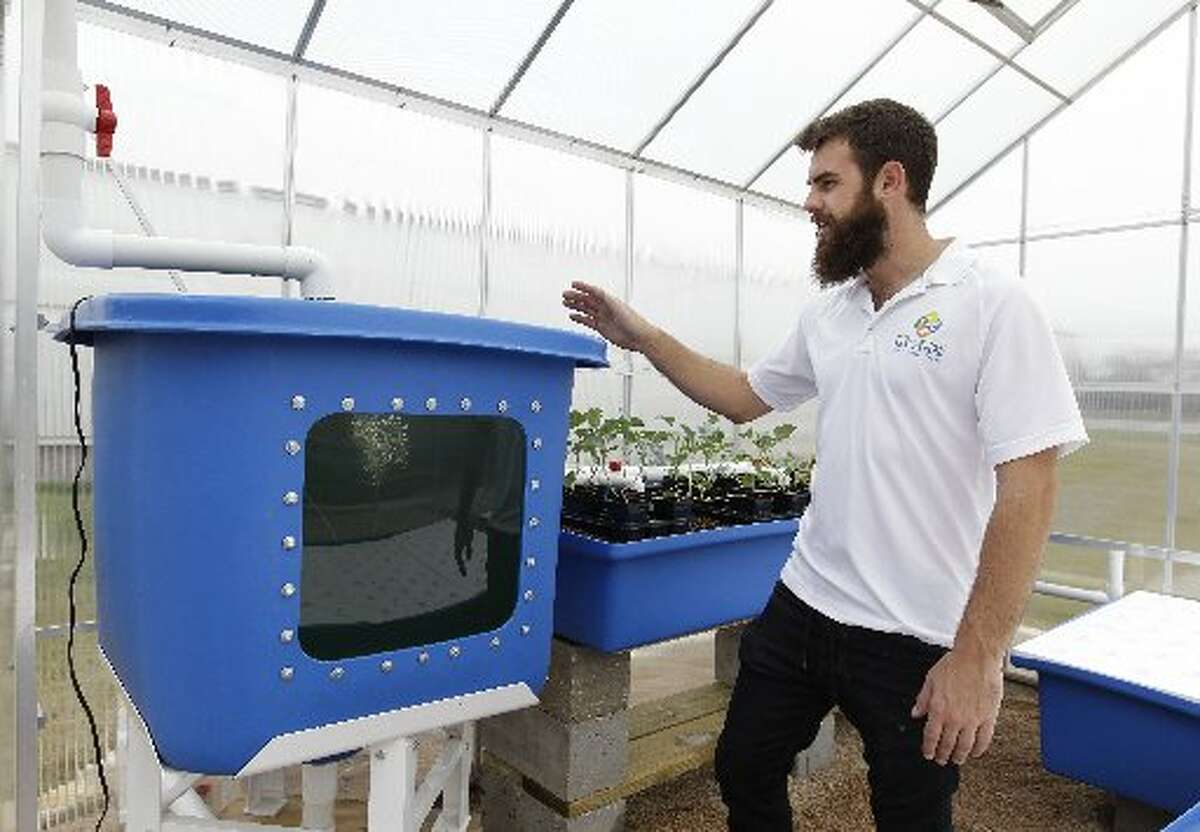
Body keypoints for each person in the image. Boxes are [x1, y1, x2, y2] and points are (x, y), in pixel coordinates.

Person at [562, 98, 1087, 831]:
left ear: (890, 182)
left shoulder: (992, 306)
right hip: (807, 603)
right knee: (744, 767)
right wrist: (643, 336)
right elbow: (744, 396)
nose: (810, 203)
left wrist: (977, 657)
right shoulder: (834, 311)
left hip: (916, 633)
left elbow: (1029, 489)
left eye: (827, 184)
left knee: (909, 817)